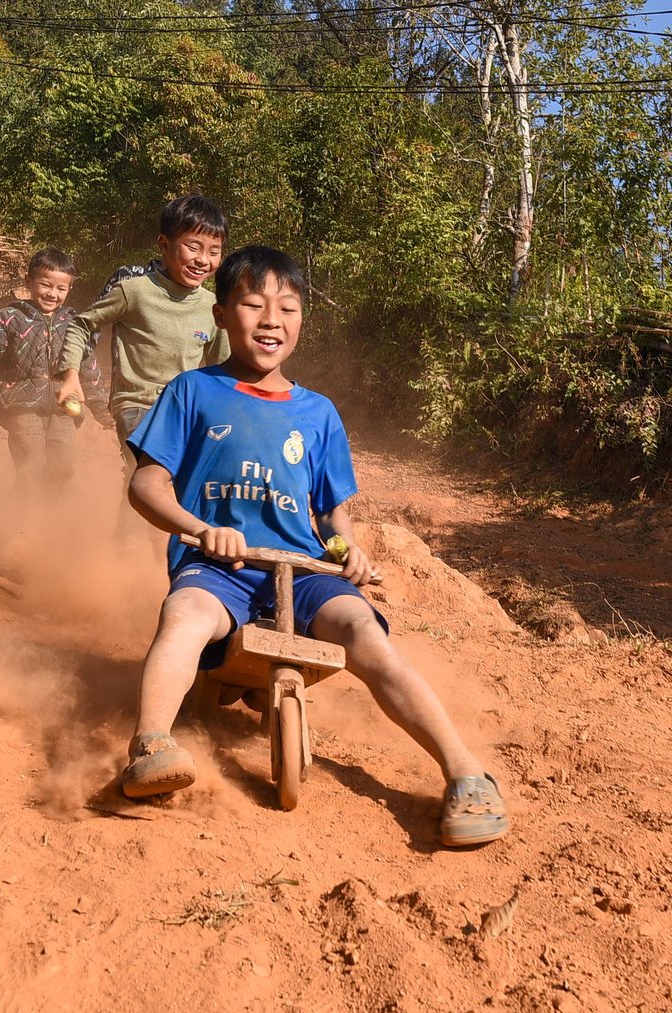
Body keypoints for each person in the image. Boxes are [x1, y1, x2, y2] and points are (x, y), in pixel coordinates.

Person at [119, 244, 510, 848]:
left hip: (303, 571)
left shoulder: (318, 413)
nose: (271, 320)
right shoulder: (192, 391)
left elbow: (331, 513)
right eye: (253, 304)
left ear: (302, 320)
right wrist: (199, 530)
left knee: (364, 631)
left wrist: (347, 549)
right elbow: (147, 483)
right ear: (221, 314)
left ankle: (464, 771)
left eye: (288, 308)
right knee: (185, 614)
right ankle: (151, 744)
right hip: (221, 565)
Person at [55, 194, 232, 475]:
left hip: (183, 412)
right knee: (154, 472)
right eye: (193, 247)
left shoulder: (213, 308)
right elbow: (81, 325)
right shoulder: (134, 290)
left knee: (160, 487)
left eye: (213, 252)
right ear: (164, 244)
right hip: (136, 405)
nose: (203, 260)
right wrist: (70, 375)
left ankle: (131, 517)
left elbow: (225, 371)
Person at [0, 247, 106, 484]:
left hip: (65, 405)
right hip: (20, 403)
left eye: (60, 288)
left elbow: (87, 367)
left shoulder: (75, 324)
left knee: (63, 465)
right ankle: (23, 514)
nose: (52, 294)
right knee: (30, 461)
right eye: (45, 285)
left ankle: (49, 512)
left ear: (69, 289)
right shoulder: (9, 318)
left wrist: (102, 408)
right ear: (29, 281)